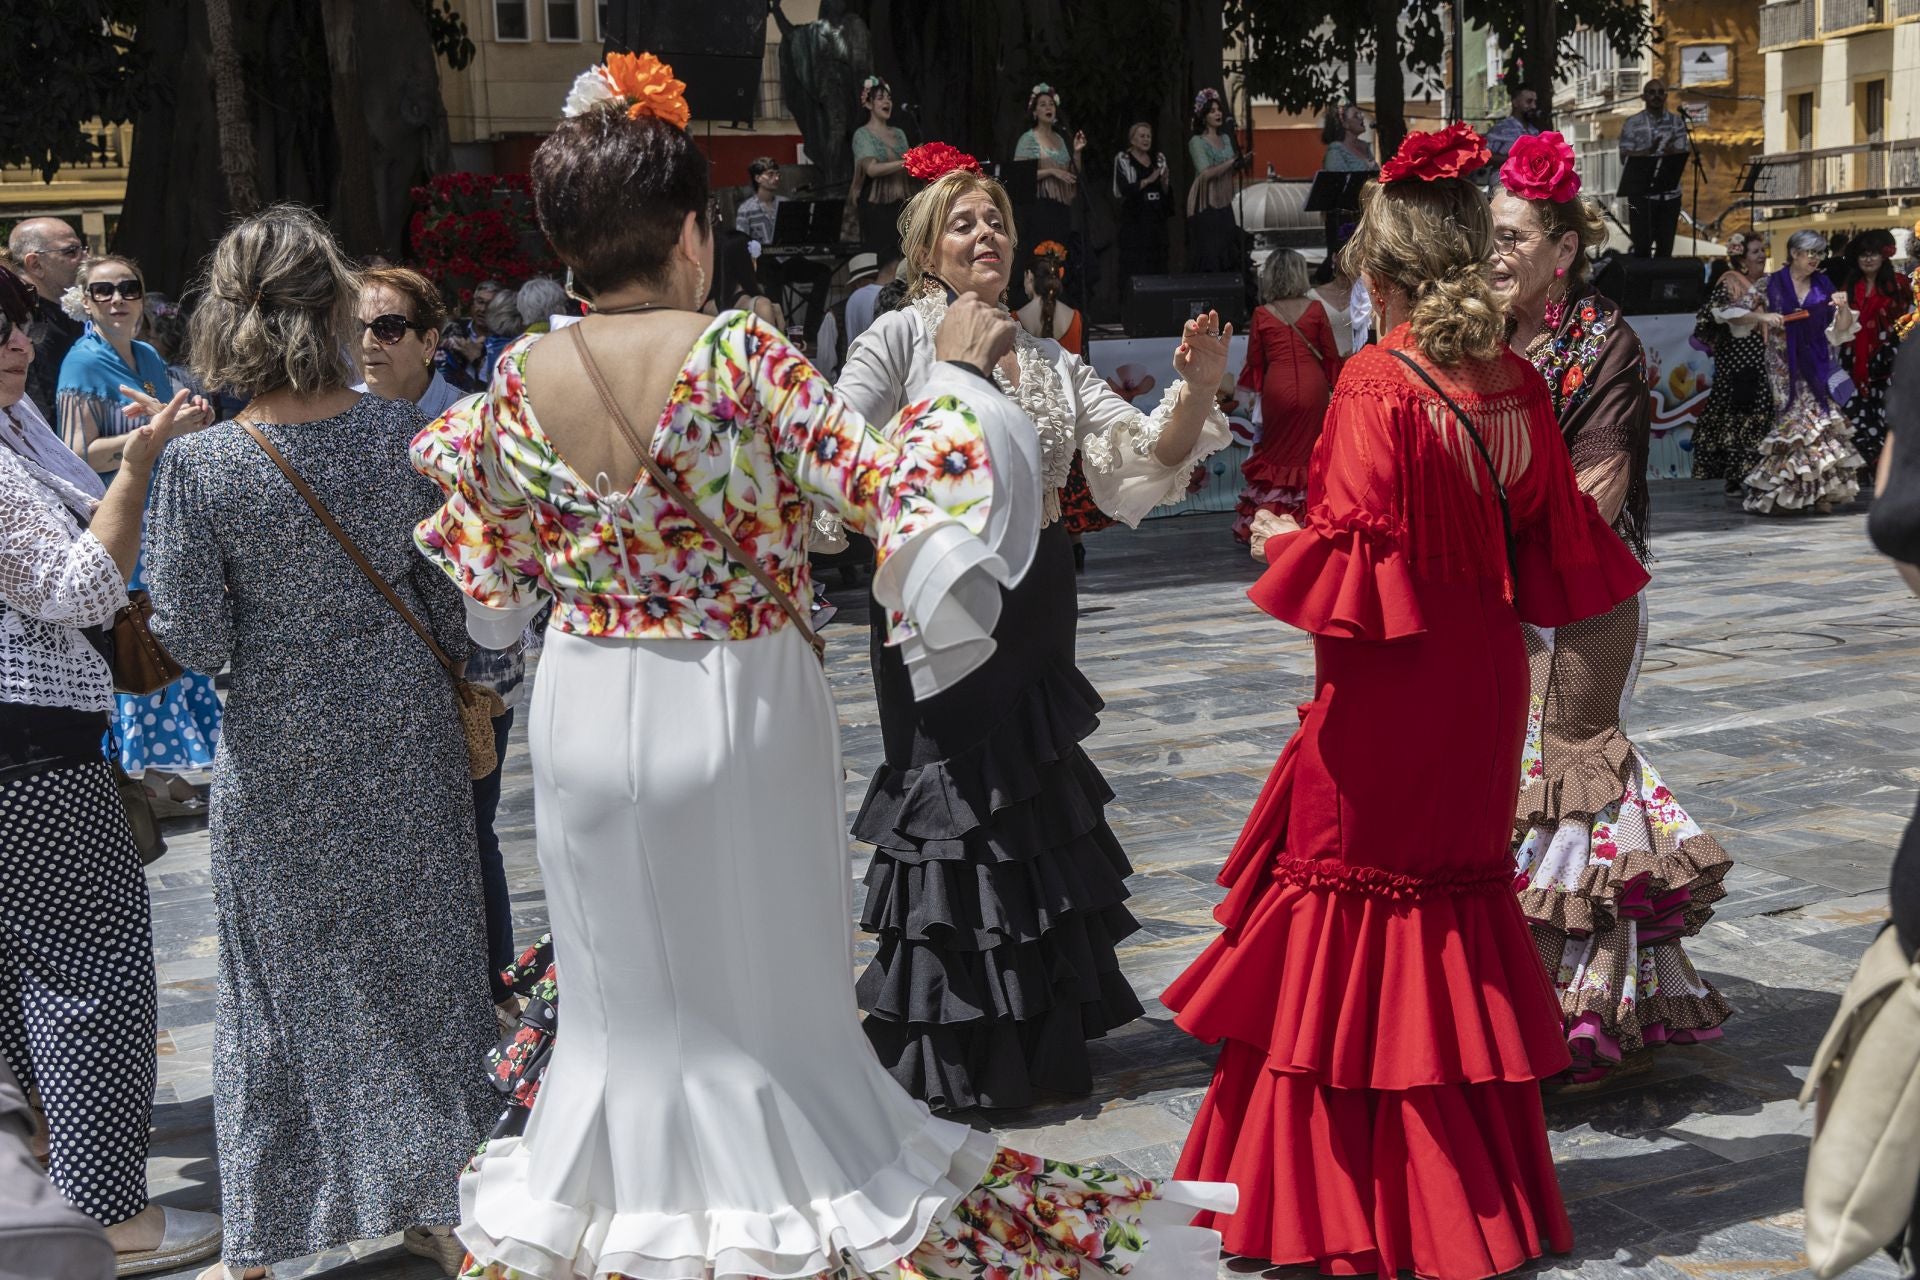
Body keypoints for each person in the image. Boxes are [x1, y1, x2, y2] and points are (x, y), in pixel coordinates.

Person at [414, 53, 1236, 1280]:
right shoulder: (738, 355)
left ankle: (623, 1192)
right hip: (735, 689)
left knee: (621, 988)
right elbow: (892, 493)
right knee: (761, 982)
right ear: (692, 235)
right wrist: (957, 377)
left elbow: (490, 598)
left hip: (583, 698)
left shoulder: (513, 379)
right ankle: (780, 1183)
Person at [1162, 122, 1651, 1280]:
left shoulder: (1376, 383)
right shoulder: (1517, 383)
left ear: (1383, 271)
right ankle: (1468, 1198)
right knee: (1450, 912)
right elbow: (1554, 538)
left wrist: (1280, 538)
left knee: (1344, 908)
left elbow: (1355, 557)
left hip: (1392, 686)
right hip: (1485, 678)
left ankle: (1334, 1199)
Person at [141, 205, 499, 1280]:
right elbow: (452, 609)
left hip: (278, 745)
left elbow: (195, 636)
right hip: (405, 733)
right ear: (336, 307)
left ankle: (268, 1228)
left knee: (279, 986)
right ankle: (443, 1198)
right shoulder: (404, 440)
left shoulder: (205, 467)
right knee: (430, 970)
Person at [834, 154, 1232, 1109]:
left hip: (1040, 596)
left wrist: (1198, 389)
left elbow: (1141, 456)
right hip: (936, 597)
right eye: (964, 222)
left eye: (998, 222)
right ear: (925, 249)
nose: (987, 235)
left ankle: (1038, 1034)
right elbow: (837, 451)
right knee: (949, 798)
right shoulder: (898, 338)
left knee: (1029, 800)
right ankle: (952, 1042)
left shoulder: (1050, 359)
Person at [1491, 132, 1732, 1084]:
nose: (1495, 253)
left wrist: (1480, 525)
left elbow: (1597, 491)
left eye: (1514, 237)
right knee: (1509, 790)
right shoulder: (1477, 332)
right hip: (1494, 601)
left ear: (1563, 249)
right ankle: (1530, 995)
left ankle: (1578, 1004)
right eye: (1489, 235)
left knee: (1571, 778)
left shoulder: (1604, 344)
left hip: (1581, 602)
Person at [0, 311, 225, 1276]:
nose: (17, 344)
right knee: (92, 978)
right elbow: (79, 586)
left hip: (33, 749)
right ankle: (104, 1217)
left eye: (16, 325)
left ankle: (41, 1191)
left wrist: (135, 452)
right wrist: (137, 469)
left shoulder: (16, 422)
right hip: (31, 755)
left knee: (33, 978)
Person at [55, 256, 224, 811]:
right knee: (139, 641)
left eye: (128, 288)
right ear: (85, 300)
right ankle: (142, 774)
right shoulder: (82, 362)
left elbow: (169, 427)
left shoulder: (147, 355)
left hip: (162, 515)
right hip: (123, 518)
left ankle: (160, 770)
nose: (117, 299)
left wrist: (192, 419)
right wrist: (154, 432)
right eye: (103, 290)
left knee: (168, 637)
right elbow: (77, 454)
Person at [1744, 230, 1863, 514]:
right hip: (1782, 365)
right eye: (1812, 253)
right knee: (1793, 427)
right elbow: (1735, 312)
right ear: (1795, 253)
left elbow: (1843, 326)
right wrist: (1763, 316)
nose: (1817, 258)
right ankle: (1792, 493)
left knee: (1818, 424)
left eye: (1820, 253)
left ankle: (1819, 493)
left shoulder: (1823, 283)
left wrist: (1843, 307)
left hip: (1817, 361)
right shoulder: (1770, 283)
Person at [1232, 247, 1341, 542]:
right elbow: (1330, 356)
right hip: (1313, 387)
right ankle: (1312, 519)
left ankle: (1273, 520)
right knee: (1311, 453)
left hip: (1276, 389)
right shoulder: (1315, 310)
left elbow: (1255, 361)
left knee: (1277, 454)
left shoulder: (1262, 314)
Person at [1017, 242, 1111, 570]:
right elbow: (1084, 364)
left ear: (1030, 278)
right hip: (1067, 408)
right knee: (1068, 479)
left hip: (1033, 411)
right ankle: (1076, 546)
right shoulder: (1076, 317)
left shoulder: (1016, 319)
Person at [1690, 232, 1778, 492]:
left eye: (1762, 250)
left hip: (1764, 359)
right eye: (1755, 251)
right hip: (1739, 361)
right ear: (1741, 259)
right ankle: (1738, 474)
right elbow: (1714, 314)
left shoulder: (1768, 282)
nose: (1761, 255)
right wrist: (1757, 317)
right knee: (1740, 412)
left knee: (1760, 413)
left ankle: (1758, 473)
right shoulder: (1730, 282)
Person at [354, 265, 468, 419]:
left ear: (428, 343)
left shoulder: (473, 421)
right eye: (356, 327)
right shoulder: (335, 414)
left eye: (388, 327)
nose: (366, 344)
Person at [1839, 229, 1911, 472]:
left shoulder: (1899, 284)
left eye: (1873, 254)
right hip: (1854, 356)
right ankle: (1866, 463)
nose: (1868, 259)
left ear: (1883, 256)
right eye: (1863, 255)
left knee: (1888, 410)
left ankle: (1888, 464)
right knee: (1855, 409)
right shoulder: (1850, 286)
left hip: (1889, 356)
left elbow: (1909, 318)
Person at [7, 217, 86, 419]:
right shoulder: (23, 322)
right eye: (71, 251)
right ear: (35, 264)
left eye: (84, 249)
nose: (85, 259)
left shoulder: (75, 314)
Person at [1013, 84, 1085, 287]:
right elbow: (1020, 175)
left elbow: (1072, 173)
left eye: (1051, 104)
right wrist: (1051, 171)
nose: (1048, 107)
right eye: (1043, 104)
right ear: (1035, 112)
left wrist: (1077, 152)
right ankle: (1037, 295)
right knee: (1040, 254)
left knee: (1060, 253)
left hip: (1060, 207)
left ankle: (1056, 294)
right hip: (1039, 206)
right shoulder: (1028, 139)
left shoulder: (1061, 139)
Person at [1618, 79, 1689, 259]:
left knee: (1665, 249)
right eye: (1651, 92)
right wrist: (1649, 151)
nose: (1656, 96)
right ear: (1643, 97)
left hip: (1670, 195)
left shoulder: (1676, 122)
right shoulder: (1633, 123)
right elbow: (1624, 156)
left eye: (1660, 92)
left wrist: (1669, 151)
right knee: (1641, 248)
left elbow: (1682, 150)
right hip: (1640, 196)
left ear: (1665, 96)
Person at [850, 76, 911, 258]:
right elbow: (872, 170)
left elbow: (909, 168)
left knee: (905, 256)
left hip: (903, 204)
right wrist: (907, 161)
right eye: (880, 98)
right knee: (883, 258)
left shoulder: (899, 134)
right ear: (868, 104)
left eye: (889, 98)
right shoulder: (862, 134)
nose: (887, 102)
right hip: (877, 206)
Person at [1188, 88, 1243, 274]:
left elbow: (1230, 167)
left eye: (1219, 110)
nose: (1218, 113)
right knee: (1210, 250)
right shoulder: (1197, 141)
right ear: (1203, 116)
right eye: (1212, 111)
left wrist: (1239, 163)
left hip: (1224, 200)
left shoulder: (1226, 138)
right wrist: (1230, 162)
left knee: (1228, 245)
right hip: (1206, 204)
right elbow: (1205, 173)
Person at [1113, 120, 1173, 288]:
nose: (1146, 139)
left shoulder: (1158, 159)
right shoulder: (1124, 159)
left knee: (1158, 262)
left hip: (1156, 219)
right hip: (1135, 220)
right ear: (1132, 140)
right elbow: (1124, 189)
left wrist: (1165, 181)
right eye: (1142, 136)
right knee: (1135, 264)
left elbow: (1167, 194)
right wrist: (1148, 180)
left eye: (1148, 136)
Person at [1484, 82, 1543, 171]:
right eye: (1529, 101)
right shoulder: (1501, 128)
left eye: (1535, 102)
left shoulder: (1534, 131)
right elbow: (1484, 155)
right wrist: (1513, 160)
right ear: (1515, 103)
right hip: (1503, 178)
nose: (1534, 106)